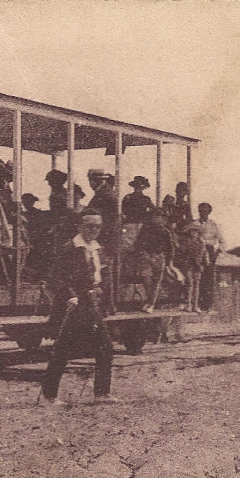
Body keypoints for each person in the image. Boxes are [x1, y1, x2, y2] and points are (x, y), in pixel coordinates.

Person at [40, 209, 117, 406]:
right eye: (89, 226)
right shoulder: (69, 248)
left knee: (103, 349)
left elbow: (105, 277)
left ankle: (101, 394)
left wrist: (100, 291)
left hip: (91, 304)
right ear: (80, 227)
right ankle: (48, 396)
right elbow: (55, 278)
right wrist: (70, 295)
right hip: (74, 305)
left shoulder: (99, 249)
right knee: (64, 350)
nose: (94, 230)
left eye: (97, 226)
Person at [134, 208, 176, 312]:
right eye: (155, 216)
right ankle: (149, 301)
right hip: (146, 256)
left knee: (156, 282)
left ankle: (151, 304)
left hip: (159, 257)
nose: (156, 219)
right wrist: (143, 253)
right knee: (147, 279)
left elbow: (170, 248)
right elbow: (138, 243)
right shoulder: (146, 228)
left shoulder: (166, 232)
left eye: (159, 217)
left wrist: (169, 263)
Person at [196, 202, 226, 311]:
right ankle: (196, 303)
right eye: (201, 211)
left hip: (209, 251)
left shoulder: (213, 225)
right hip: (196, 251)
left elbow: (222, 242)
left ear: (209, 212)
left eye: (205, 211)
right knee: (195, 277)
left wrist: (217, 252)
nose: (203, 213)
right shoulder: (194, 224)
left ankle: (206, 305)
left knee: (208, 279)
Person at [177, 223, 210, 312]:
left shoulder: (201, 242)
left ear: (198, 233)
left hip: (198, 265)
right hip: (188, 265)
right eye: (192, 231)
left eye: (196, 231)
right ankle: (188, 304)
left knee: (196, 285)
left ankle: (195, 305)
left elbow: (204, 253)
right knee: (189, 284)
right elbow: (182, 251)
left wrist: (204, 262)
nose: (194, 233)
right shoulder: (186, 241)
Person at [86, 169, 119, 250]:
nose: (91, 184)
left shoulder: (104, 194)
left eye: (92, 181)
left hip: (104, 233)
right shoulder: (104, 192)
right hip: (104, 231)